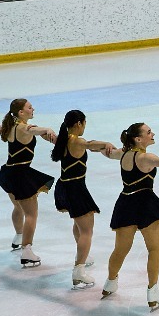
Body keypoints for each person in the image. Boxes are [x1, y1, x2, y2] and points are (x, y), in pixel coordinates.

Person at [104, 121, 159, 311]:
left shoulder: (124, 154)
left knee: (120, 250)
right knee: (154, 249)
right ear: (138, 138)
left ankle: (110, 283)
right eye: (148, 132)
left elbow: (109, 153)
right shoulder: (144, 157)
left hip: (126, 203)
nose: (152, 134)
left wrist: (103, 146)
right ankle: (152, 293)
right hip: (145, 205)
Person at [50, 110, 120, 290]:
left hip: (64, 186)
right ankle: (78, 270)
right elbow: (89, 144)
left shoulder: (63, 139)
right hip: (75, 188)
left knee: (79, 225)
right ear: (79, 124)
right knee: (87, 230)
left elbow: (89, 147)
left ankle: (82, 257)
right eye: (85, 123)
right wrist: (106, 143)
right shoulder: (76, 140)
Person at [0, 98, 58, 268]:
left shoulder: (11, 126)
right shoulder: (24, 127)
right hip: (20, 175)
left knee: (18, 207)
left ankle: (18, 236)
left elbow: (37, 132)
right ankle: (27, 251)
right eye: (29, 107)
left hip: (8, 173)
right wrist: (48, 128)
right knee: (31, 214)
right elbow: (35, 130)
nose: (33, 109)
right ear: (21, 112)